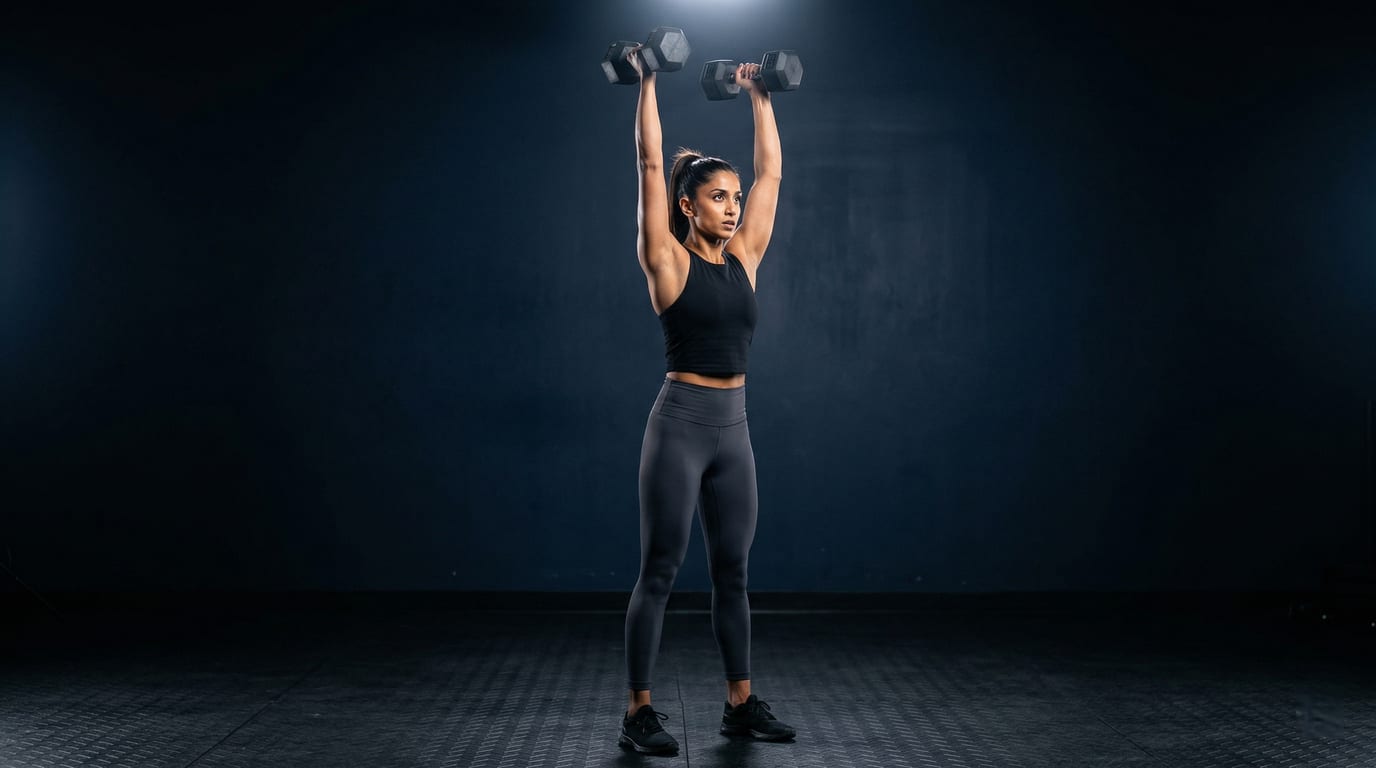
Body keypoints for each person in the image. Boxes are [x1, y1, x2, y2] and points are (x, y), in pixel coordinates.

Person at [617, 43, 797, 755]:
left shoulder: (746, 257)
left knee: (735, 572)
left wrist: (759, 93)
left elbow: (773, 173)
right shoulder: (665, 260)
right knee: (660, 569)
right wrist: (650, 79)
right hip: (682, 424)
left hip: (735, 430)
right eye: (718, 198)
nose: (732, 208)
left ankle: (740, 703)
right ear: (687, 207)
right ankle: (638, 711)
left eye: (734, 199)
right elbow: (651, 165)